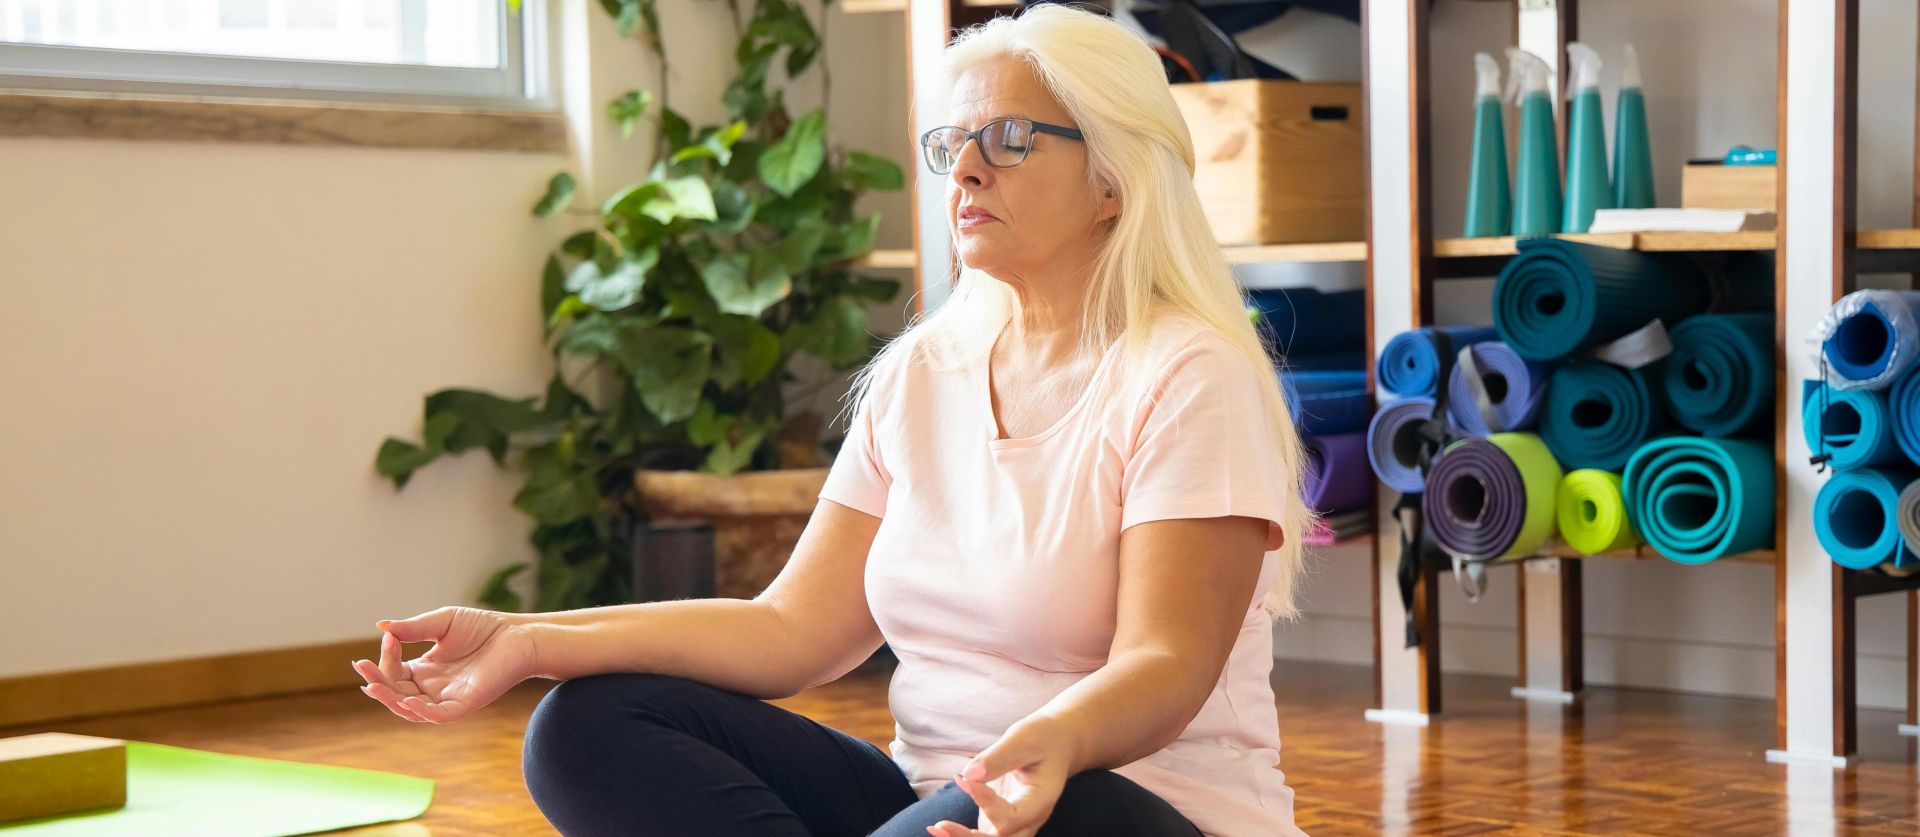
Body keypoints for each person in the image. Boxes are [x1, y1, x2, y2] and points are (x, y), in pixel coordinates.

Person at [352, 6, 1312, 836]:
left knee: (1069, 806)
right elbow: (791, 627)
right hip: (935, 800)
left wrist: (1046, 741)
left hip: (1129, 806)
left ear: (1114, 176)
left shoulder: (1190, 373)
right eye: (950, 144)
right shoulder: (921, 375)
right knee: (584, 725)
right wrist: (529, 638)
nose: (965, 169)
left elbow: (1167, 662)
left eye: (1010, 139)